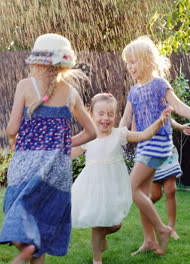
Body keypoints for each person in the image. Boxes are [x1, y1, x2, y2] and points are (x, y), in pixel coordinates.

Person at [0, 33, 97, 264]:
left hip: (26, 164)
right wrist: (63, 143)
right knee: (42, 222)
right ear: (64, 64)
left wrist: (14, 139)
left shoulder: (25, 86)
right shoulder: (71, 93)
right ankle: (33, 248)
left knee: (15, 210)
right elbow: (91, 132)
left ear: (35, 60)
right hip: (57, 171)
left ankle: (25, 248)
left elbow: (12, 129)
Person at [119, 36, 190, 255]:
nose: (129, 67)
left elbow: (179, 106)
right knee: (143, 195)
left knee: (132, 188)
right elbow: (124, 120)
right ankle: (149, 241)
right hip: (143, 146)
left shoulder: (159, 84)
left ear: (147, 60)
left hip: (158, 144)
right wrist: (117, 135)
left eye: (133, 61)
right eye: (127, 63)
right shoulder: (134, 91)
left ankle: (161, 229)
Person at [71, 93, 173, 264]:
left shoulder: (119, 134)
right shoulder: (87, 137)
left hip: (113, 187)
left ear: (115, 115)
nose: (106, 118)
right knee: (97, 223)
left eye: (110, 114)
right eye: (101, 113)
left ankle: (103, 235)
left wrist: (160, 120)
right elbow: (70, 153)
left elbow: (143, 135)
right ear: (91, 114)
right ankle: (97, 259)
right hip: (93, 187)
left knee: (115, 225)